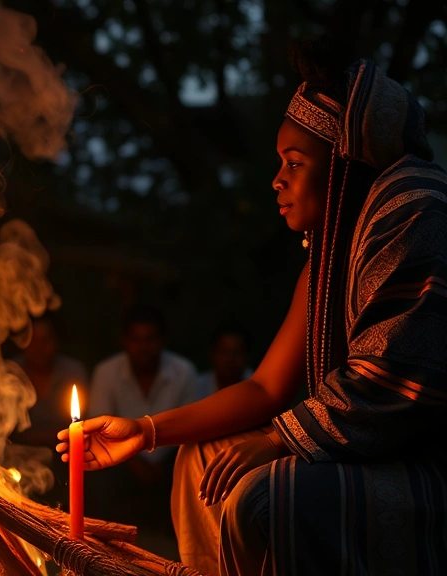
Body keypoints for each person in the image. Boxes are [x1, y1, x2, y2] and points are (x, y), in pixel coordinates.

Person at [57, 43, 447, 575]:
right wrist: (145, 432)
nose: (277, 180)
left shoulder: (413, 218)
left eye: (295, 163)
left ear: (343, 168)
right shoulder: (325, 266)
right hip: (359, 452)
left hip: (420, 467)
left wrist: (277, 439)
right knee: (200, 459)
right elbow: (265, 387)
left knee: (267, 496)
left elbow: (386, 383)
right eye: (279, 163)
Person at [85, 304, 197, 528]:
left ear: (163, 341)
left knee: (192, 464)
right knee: (96, 470)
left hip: (172, 459)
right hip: (121, 461)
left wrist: (162, 460)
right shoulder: (107, 372)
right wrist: (135, 461)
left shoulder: (183, 371)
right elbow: (96, 429)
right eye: (136, 340)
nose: (143, 348)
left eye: (150, 340)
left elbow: (192, 424)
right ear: (124, 341)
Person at [11, 314, 87, 447]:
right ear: (22, 343)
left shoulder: (72, 372)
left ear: (57, 342)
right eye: (33, 341)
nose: (39, 348)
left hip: (67, 451)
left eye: (46, 340)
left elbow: (84, 424)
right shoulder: (9, 375)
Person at [196, 325, 252, 399]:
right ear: (212, 354)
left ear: (247, 356)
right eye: (224, 352)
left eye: (237, 353)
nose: (230, 359)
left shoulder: (257, 387)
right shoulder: (197, 387)